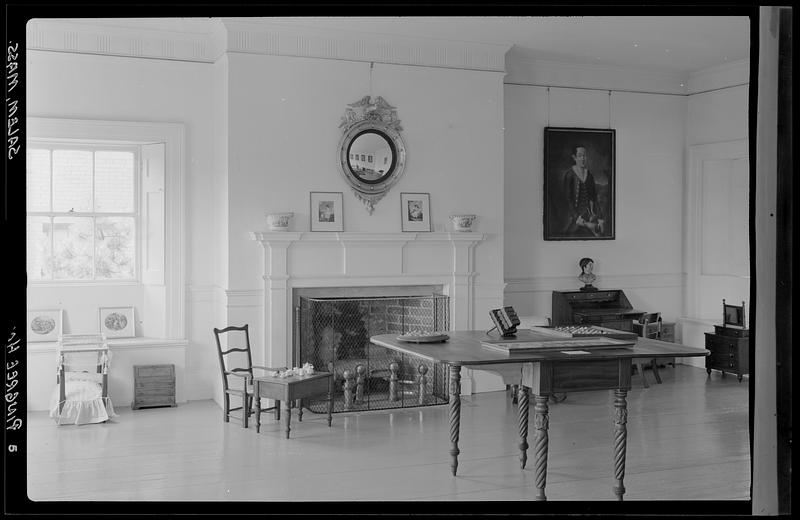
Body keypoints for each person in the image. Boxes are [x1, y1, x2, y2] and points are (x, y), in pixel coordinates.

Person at [563, 145, 605, 237]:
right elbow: (568, 199)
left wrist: (600, 218)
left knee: (599, 234)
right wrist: (577, 217)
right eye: (580, 155)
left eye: (584, 156)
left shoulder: (589, 175)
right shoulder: (569, 175)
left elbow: (594, 197)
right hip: (576, 217)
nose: (583, 158)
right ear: (574, 157)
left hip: (590, 215)